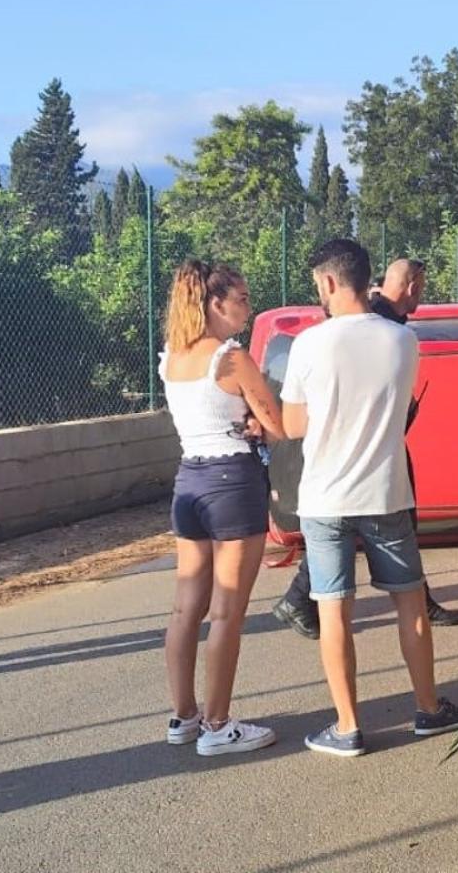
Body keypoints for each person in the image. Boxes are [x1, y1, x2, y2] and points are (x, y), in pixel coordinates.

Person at [281, 238, 458, 757]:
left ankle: (347, 727)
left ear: (327, 283)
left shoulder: (308, 344)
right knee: (410, 603)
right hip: (387, 492)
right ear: (365, 279)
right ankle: (429, 709)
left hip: (324, 499)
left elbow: (293, 425)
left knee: (333, 612)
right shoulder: (401, 341)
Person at [273, 257, 458, 636]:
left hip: (362, 446)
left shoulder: (380, 322)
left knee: (340, 527)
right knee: (379, 523)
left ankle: (300, 602)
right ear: (411, 286)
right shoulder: (386, 327)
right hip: (368, 443)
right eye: (421, 288)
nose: (421, 297)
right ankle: (411, 603)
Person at [159, 260, 283, 756]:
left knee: (186, 606)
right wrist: (259, 422)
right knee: (227, 611)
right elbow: (276, 423)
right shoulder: (231, 358)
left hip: (189, 480)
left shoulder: (171, 357)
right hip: (234, 480)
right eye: (243, 300)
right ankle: (218, 724)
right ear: (216, 303)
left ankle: (183, 716)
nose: (248, 310)